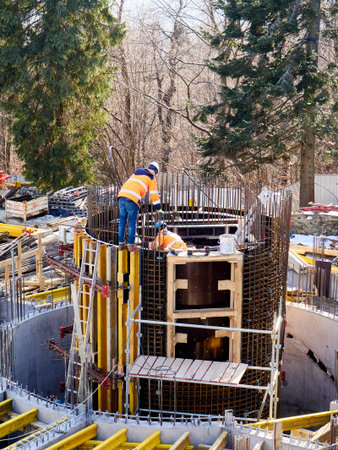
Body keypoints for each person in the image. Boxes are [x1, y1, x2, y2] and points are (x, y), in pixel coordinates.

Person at [118, 161, 164, 252]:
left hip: (121, 196)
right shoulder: (151, 178)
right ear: (156, 171)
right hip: (132, 199)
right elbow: (154, 195)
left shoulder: (136, 173)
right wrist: (158, 208)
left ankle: (121, 244)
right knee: (132, 223)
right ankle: (131, 246)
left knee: (122, 222)